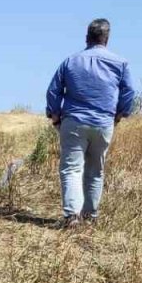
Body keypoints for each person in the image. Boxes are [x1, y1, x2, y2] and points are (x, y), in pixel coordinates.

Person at [45, 18, 136, 227]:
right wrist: (120, 114)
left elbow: (53, 90)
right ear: (107, 39)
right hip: (104, 122)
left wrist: (55, 115)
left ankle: (71, 217)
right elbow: (129, 91)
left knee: (71, 168)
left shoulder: (70, 61)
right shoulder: (120, 63)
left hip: (74, 121)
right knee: (96, 170)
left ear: (87, 37)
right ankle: (90, 216)